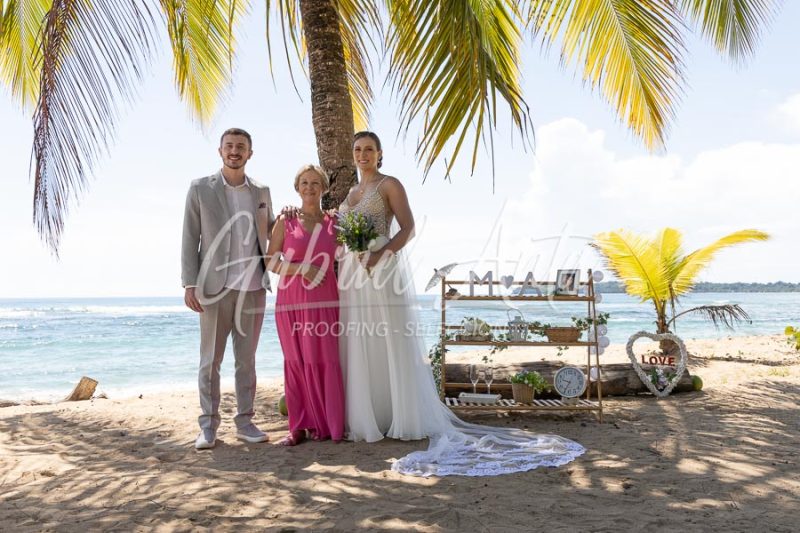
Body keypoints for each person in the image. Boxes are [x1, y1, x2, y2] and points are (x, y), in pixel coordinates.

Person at [337, 131, 586, 476]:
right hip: (355, 270)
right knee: (364, 339)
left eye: (369, 149)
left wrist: (381, 254)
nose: (363, 154)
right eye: (357, 149)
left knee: (390, 337)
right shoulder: (351, 192)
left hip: (382, 266)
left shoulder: (389, 184)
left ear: (379, 153)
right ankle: (372, 416)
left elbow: (408, 228)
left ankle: (401, 416)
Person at [181, 128, 273, 450]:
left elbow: (270, 232)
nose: (235, 151)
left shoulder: (262, 191)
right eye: (229, 146)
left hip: (253, 288)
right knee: (210, 361)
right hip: (213, 288)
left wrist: (289, 219)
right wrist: (190, 283)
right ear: (220, 151)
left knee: (246, 362)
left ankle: (245, 422)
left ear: (250, 153)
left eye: (241, 147)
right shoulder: (200, 188)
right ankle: (208, 427)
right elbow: (190, 237)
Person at [266, 165, 345, 446]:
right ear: (297, 188)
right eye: (304, 183)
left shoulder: (335, 223)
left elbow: (349, 256)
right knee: (296, 361)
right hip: (291, 301)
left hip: (325, 300)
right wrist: (302, 269)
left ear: (324, 188)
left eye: (315, 183)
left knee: (324, 358)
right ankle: (297, 428)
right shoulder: (285, 221)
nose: (309, 188)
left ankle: (328, 425)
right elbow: (270, 262)